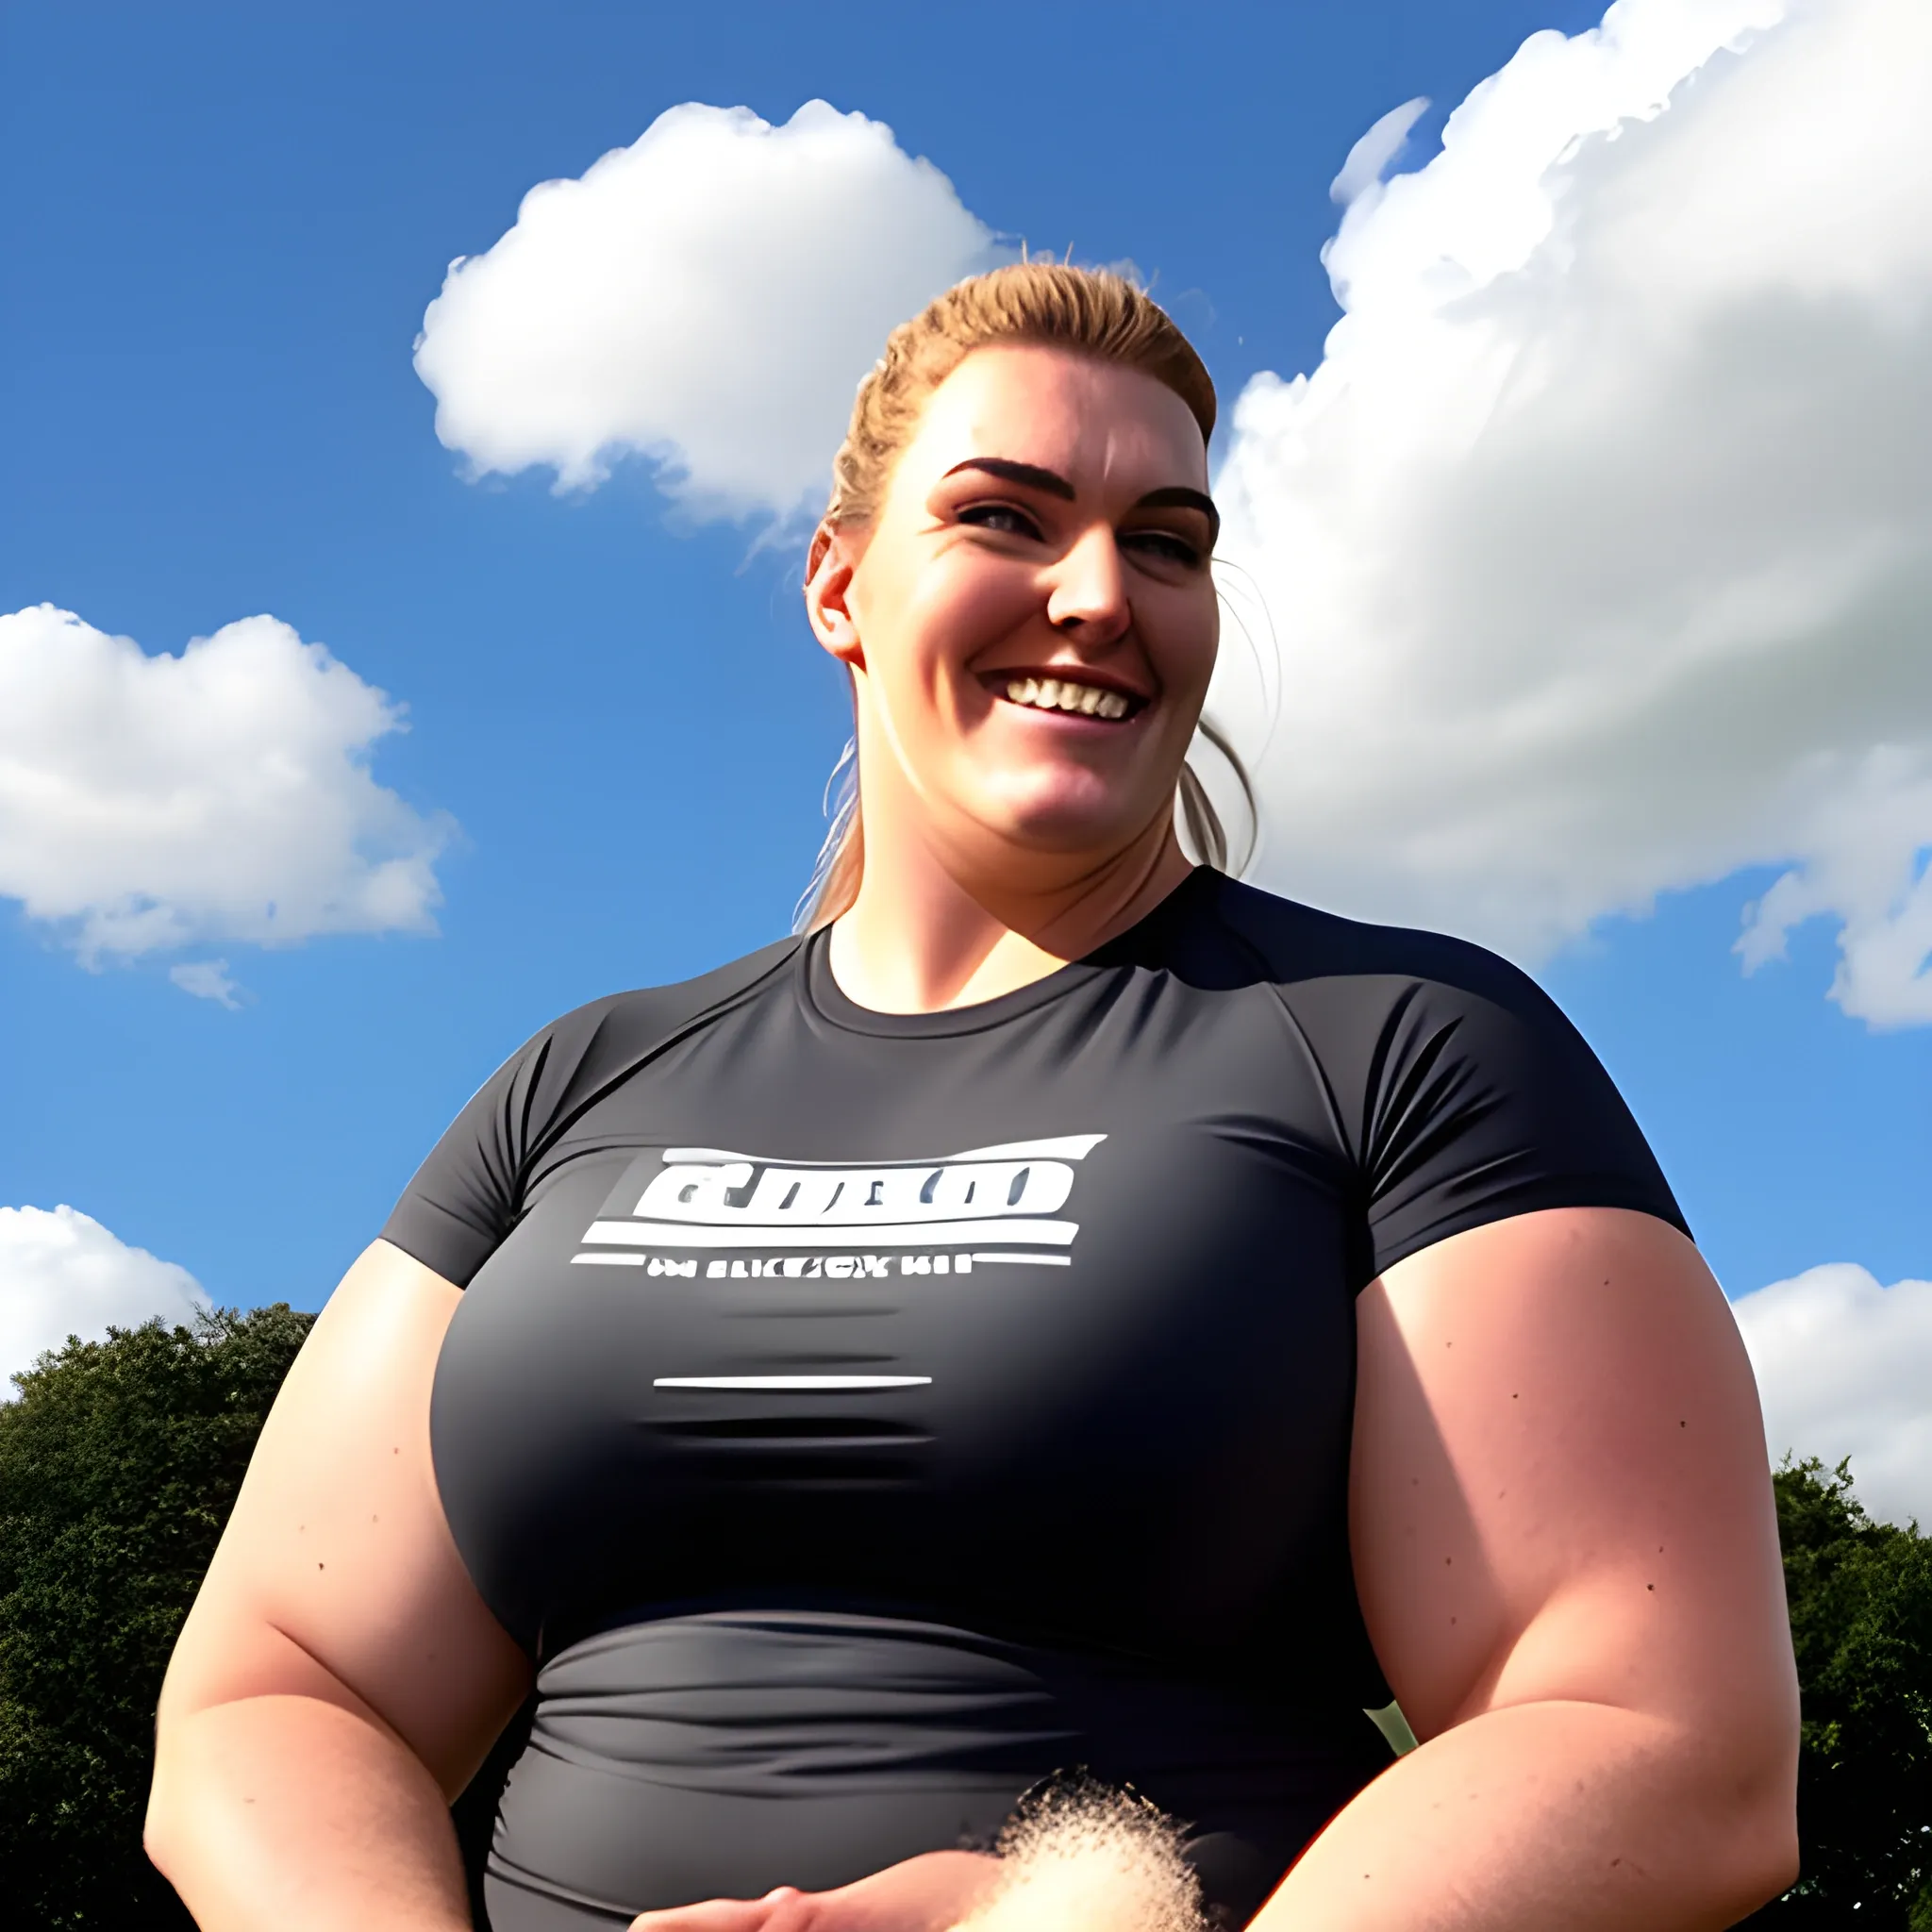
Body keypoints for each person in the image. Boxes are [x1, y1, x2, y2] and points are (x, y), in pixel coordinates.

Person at [146, 263, 1800, 1932]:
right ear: (839, 585)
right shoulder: (579, 1086)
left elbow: (1657, 1735)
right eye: (1007, 519)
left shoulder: (1405, 1046)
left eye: (1166, 542)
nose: (1100, 592)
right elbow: (282, 1690)